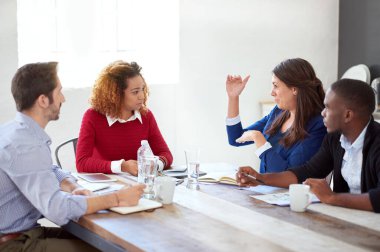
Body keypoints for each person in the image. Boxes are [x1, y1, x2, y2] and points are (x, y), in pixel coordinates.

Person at [0, 62, 145, 251]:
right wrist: (117, 198)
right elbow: (57, 208)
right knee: (108, 249)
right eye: (59, 91)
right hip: (14, 244)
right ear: (43, 100)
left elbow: (48, 169)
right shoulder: (25, 145)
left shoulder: (16, 132)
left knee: (107, 243)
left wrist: (72, 185)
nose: (63, 98)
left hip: (26, 233)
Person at [237, 78, 380, 213]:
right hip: (352, 219)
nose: (322, 113)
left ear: (348, 115)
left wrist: (332, 198)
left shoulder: (377, 143)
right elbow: (307, 171)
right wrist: (260, 178)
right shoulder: (335, 139)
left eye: (328, 108)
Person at [226, 58, 326, 173]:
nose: (271, 92)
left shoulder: (318, 126)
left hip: (287, 191)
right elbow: (236, 138)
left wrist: (258, 138)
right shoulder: (278, 113)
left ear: (294, 89)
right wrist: (233, 97)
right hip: (263, 189)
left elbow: (288, 175)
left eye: (275, 86)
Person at [76, 60, 173, 175]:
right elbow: (82, 163)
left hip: (137, 185)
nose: (142, 96)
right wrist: (122, 166)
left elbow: (166, 154)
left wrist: (155, 164)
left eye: (142, 89)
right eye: (135, 92)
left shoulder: (146, 116)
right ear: (116, 94)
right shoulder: (93, 116)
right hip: (108, 188)